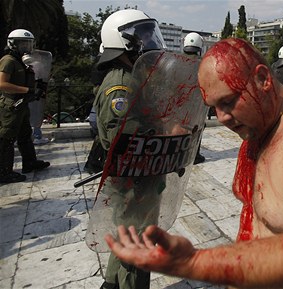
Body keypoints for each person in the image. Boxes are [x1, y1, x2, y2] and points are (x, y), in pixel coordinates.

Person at [104, 37, 283, 289]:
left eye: (228, 101)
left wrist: (193, 263)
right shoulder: (261, 124)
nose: (222, 117)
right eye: (213, 107)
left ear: (263, 78)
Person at [92, 9, 167, 289]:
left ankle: (112, 283)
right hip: (133, 180)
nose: (149, 41)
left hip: (136, 178)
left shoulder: (129, 76)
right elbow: (124, 140)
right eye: (143, 36)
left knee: (126, 234)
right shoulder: (121, 86)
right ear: (124, 41)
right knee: (138, 244)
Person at [0, 29, 50, 184]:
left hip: (22, 103)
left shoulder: (21, 60)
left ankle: (29, 162)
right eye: (22, 43)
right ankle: (4, 172)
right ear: (12, 43)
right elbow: (2, 84)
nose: (26, 47)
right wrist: (28, 90)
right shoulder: (9, 60)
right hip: (11, 104)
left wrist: (37, 85)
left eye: (28, 43)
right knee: (6, 138)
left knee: (25, 135)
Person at [183, 32, 206, 164]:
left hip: (179, 103)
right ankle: (194, 156)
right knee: (197, 128)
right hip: (196, 104)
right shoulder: (203, 64)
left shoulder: (176, 59)